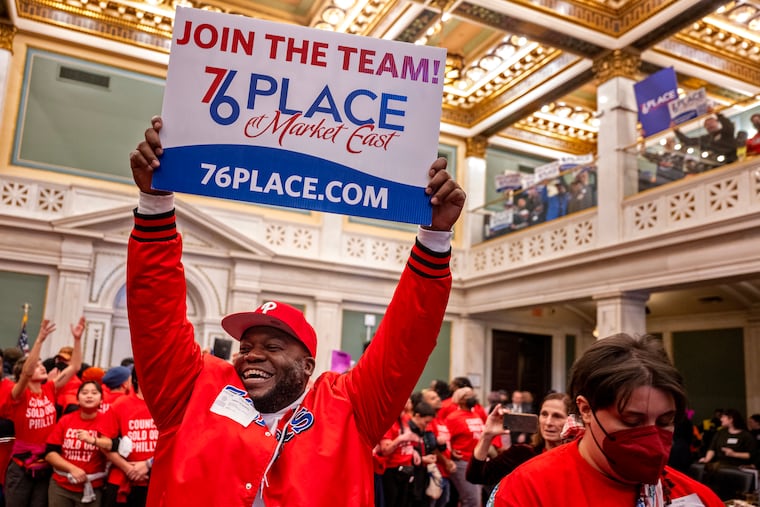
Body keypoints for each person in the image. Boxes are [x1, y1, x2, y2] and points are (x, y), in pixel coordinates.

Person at [127, 115, 466, 506]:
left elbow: (406, 341)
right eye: (247, 346)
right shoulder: (192, 392)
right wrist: (154, 203)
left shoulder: (348, 408)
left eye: (272, 346)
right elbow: (155, 316)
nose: (252, 354)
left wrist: (435, 238)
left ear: (307, 366)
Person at [488, 334, 723, 507]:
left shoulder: (697, 497)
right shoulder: (528, 491)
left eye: (665, 421)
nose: (651, 436)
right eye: (632, 421)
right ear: (586, 410)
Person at [5, 318, 84, 507]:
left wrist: (78, 340)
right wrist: (40, 340)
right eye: (38, 365)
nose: (42, 367)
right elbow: (26, 371)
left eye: (42, 364)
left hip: (46, 463)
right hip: (21, 465)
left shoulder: (50, 388)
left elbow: (75, 367)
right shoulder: (18, 393)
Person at [467, 392, 570, 489]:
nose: (548, 422)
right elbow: (476, 476)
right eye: (544, 414)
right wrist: (487, 436)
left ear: (571, 421)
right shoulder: (522, 454)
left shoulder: (579, 458)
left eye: (557, 416)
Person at [45, 380, 116, 507]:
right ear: (77, 399)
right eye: (84, 393)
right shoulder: (65, 420)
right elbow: (50, 453)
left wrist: (93, 440)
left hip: (92, 486)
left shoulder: (107, 419)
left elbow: (110, 444)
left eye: (94, 393)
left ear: (101, 400)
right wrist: (72, 469)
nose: (89, 396)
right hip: (61, 486)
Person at [673, 110, 737, 166]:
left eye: (711, 122)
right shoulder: (705, 139)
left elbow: (728, 125)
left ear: (717, 122)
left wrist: (718, 114)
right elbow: (688, 142)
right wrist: (676, 131)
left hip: (735, 156)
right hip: (718, 163)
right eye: (707, 124)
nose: (710, 125)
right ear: (705, 127)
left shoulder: (726, 132)